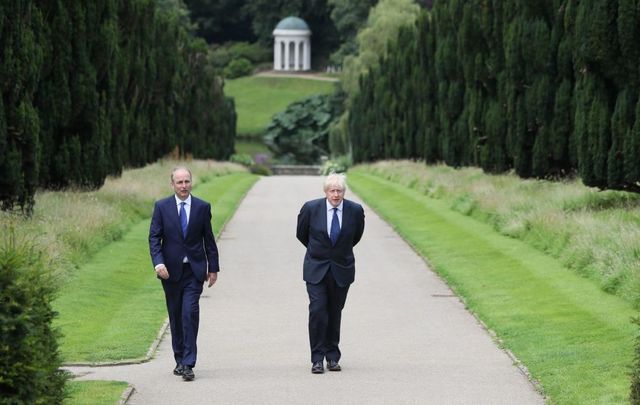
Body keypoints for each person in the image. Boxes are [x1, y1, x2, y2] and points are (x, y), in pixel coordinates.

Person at [149, 166, 219, 382]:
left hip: (194, 271)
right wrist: (158, 264)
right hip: (170, 272)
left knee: (189, 313)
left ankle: (188, 363)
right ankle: (179, 359)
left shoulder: (201, 207)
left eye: (187, 181)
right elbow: (154, 238)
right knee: (176, 316)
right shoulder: (162, 207)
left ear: (191, 182)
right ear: (172, 184)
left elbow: (209, 238)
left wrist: (213, 267)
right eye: (179, 182)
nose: (183, 186)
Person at [296, 173, 365, 374]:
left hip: (341, 269)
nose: (336, 195)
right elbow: (302, 234)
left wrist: (337, 253)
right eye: (332, 191)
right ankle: (317, 359)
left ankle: (332, 357)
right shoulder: (311, 208)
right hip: (316, 268)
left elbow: (356, 236)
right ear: (325, 192)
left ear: (344, 192)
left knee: (335, 312)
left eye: (339, 191)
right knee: (318, 311)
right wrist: (320, 252)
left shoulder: (354, 210)